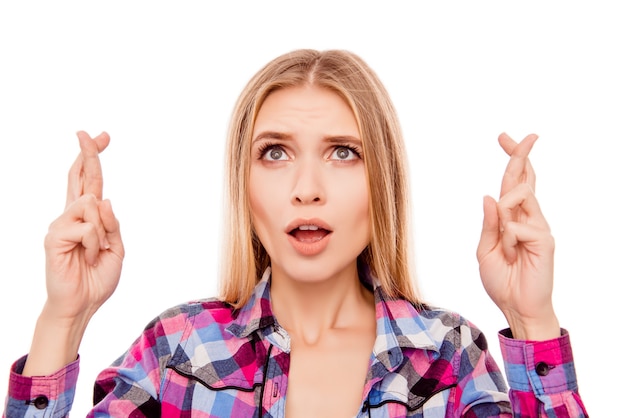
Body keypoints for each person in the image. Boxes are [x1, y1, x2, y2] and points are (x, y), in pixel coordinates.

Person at [3, 49, 587, 417]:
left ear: (382, 180)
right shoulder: (179, 351)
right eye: (276, 153)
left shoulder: (448, 358)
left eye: (342, 152)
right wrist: (64, 317)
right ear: (245, 184)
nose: (307, 188)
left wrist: (533, 319)